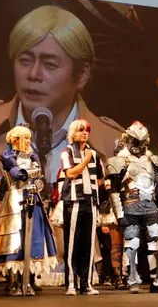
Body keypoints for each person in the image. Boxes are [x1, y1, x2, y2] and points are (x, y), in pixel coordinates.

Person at [0, 5, 124, 188]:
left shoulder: (115, 146)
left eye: (50, 65)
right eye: (25, 61)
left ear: (81, 74)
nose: (33, 74)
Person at [0, 125, 58, 295]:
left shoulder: (33, 156)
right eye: (25, 138)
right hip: (15, 200)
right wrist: (32, 173)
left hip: (33, 198)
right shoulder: (8, 156)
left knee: (34, 238)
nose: (28, 141)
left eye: (29, 138)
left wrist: (35, 178)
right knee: (15, 240)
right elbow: (18, 174)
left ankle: (29, 279)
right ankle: (14, 282)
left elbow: (39, 177)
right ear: (15, 140)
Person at [106, 122, 158, 294]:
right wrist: (119, 214)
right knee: (132, 243)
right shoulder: (119, 161)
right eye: (135, 141)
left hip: (150, 205)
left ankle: (156, 281)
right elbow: (114, 191)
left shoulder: (151, 160)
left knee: (155, 243)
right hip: (129, 205)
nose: (138, 145)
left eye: (141, 141)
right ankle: (133, 281)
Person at [59, 119, 103, 296]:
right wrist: (85, 161)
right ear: (73, 133)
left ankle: (86, 284)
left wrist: (92, 190)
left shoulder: (94, 154)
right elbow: (70, 173)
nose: (85, 133)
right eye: (81, 130)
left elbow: (100, 178)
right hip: (74, 202)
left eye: (87, 130)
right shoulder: (67, 151)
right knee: (72, 244)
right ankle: (71, 283)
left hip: (90, 202)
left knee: (88, 244)